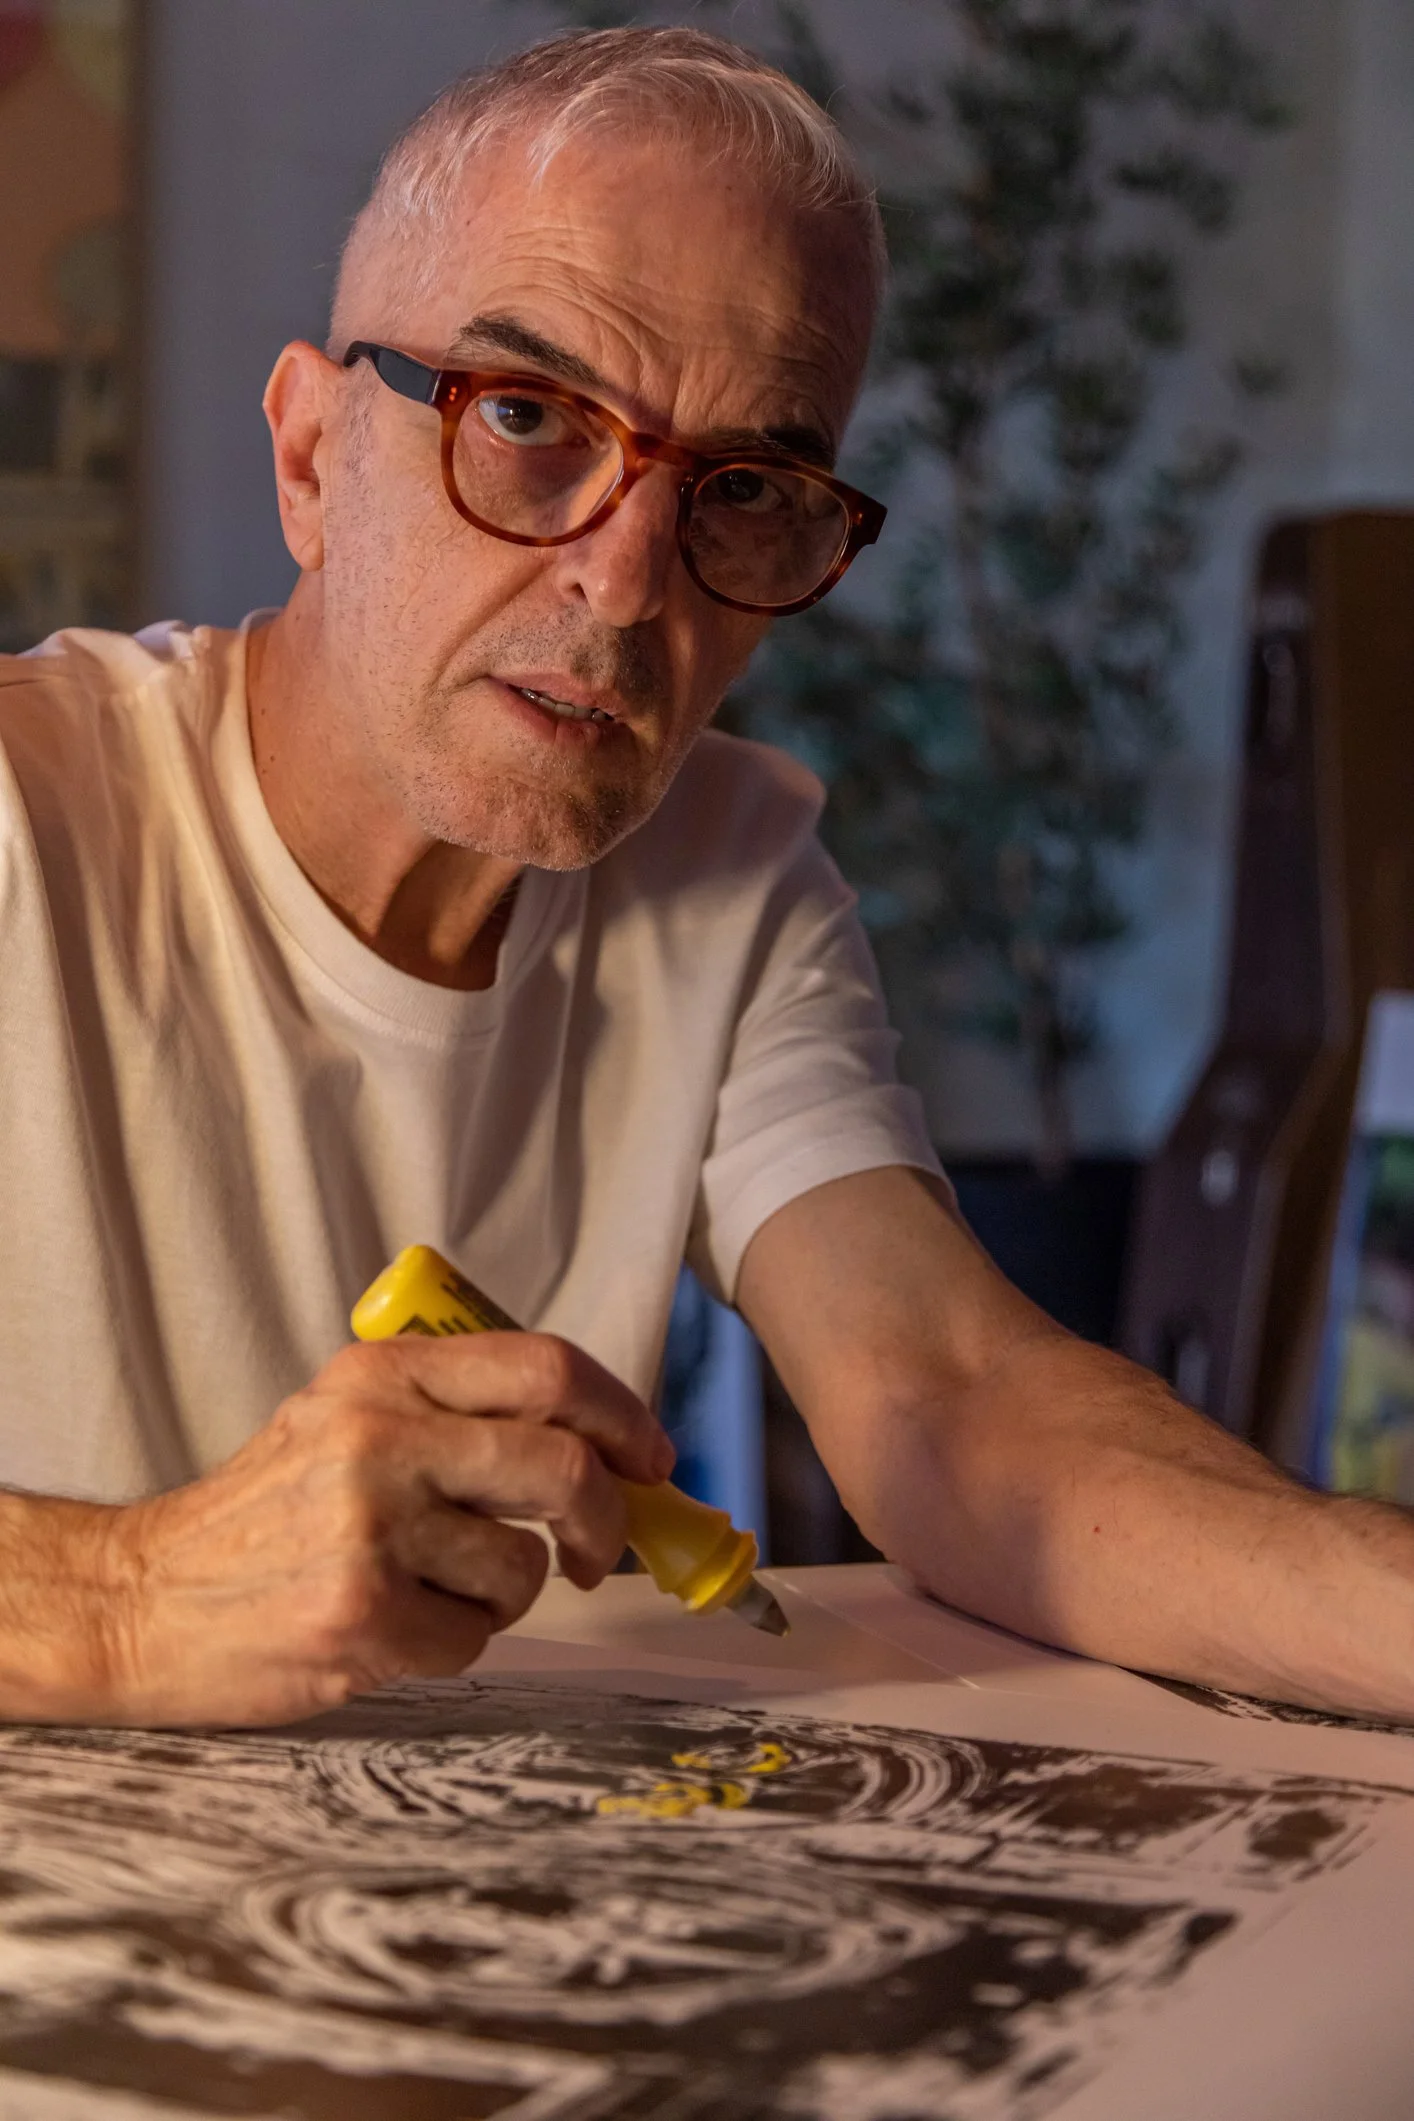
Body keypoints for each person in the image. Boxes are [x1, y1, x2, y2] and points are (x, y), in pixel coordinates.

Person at [1, 28, 1411, 1730]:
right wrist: (130, 1597)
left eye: (742, 490)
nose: (623, 584)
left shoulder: (727, 871)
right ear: (311, 457)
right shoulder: (24, 810)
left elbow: (950, 1403)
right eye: (525, 416)